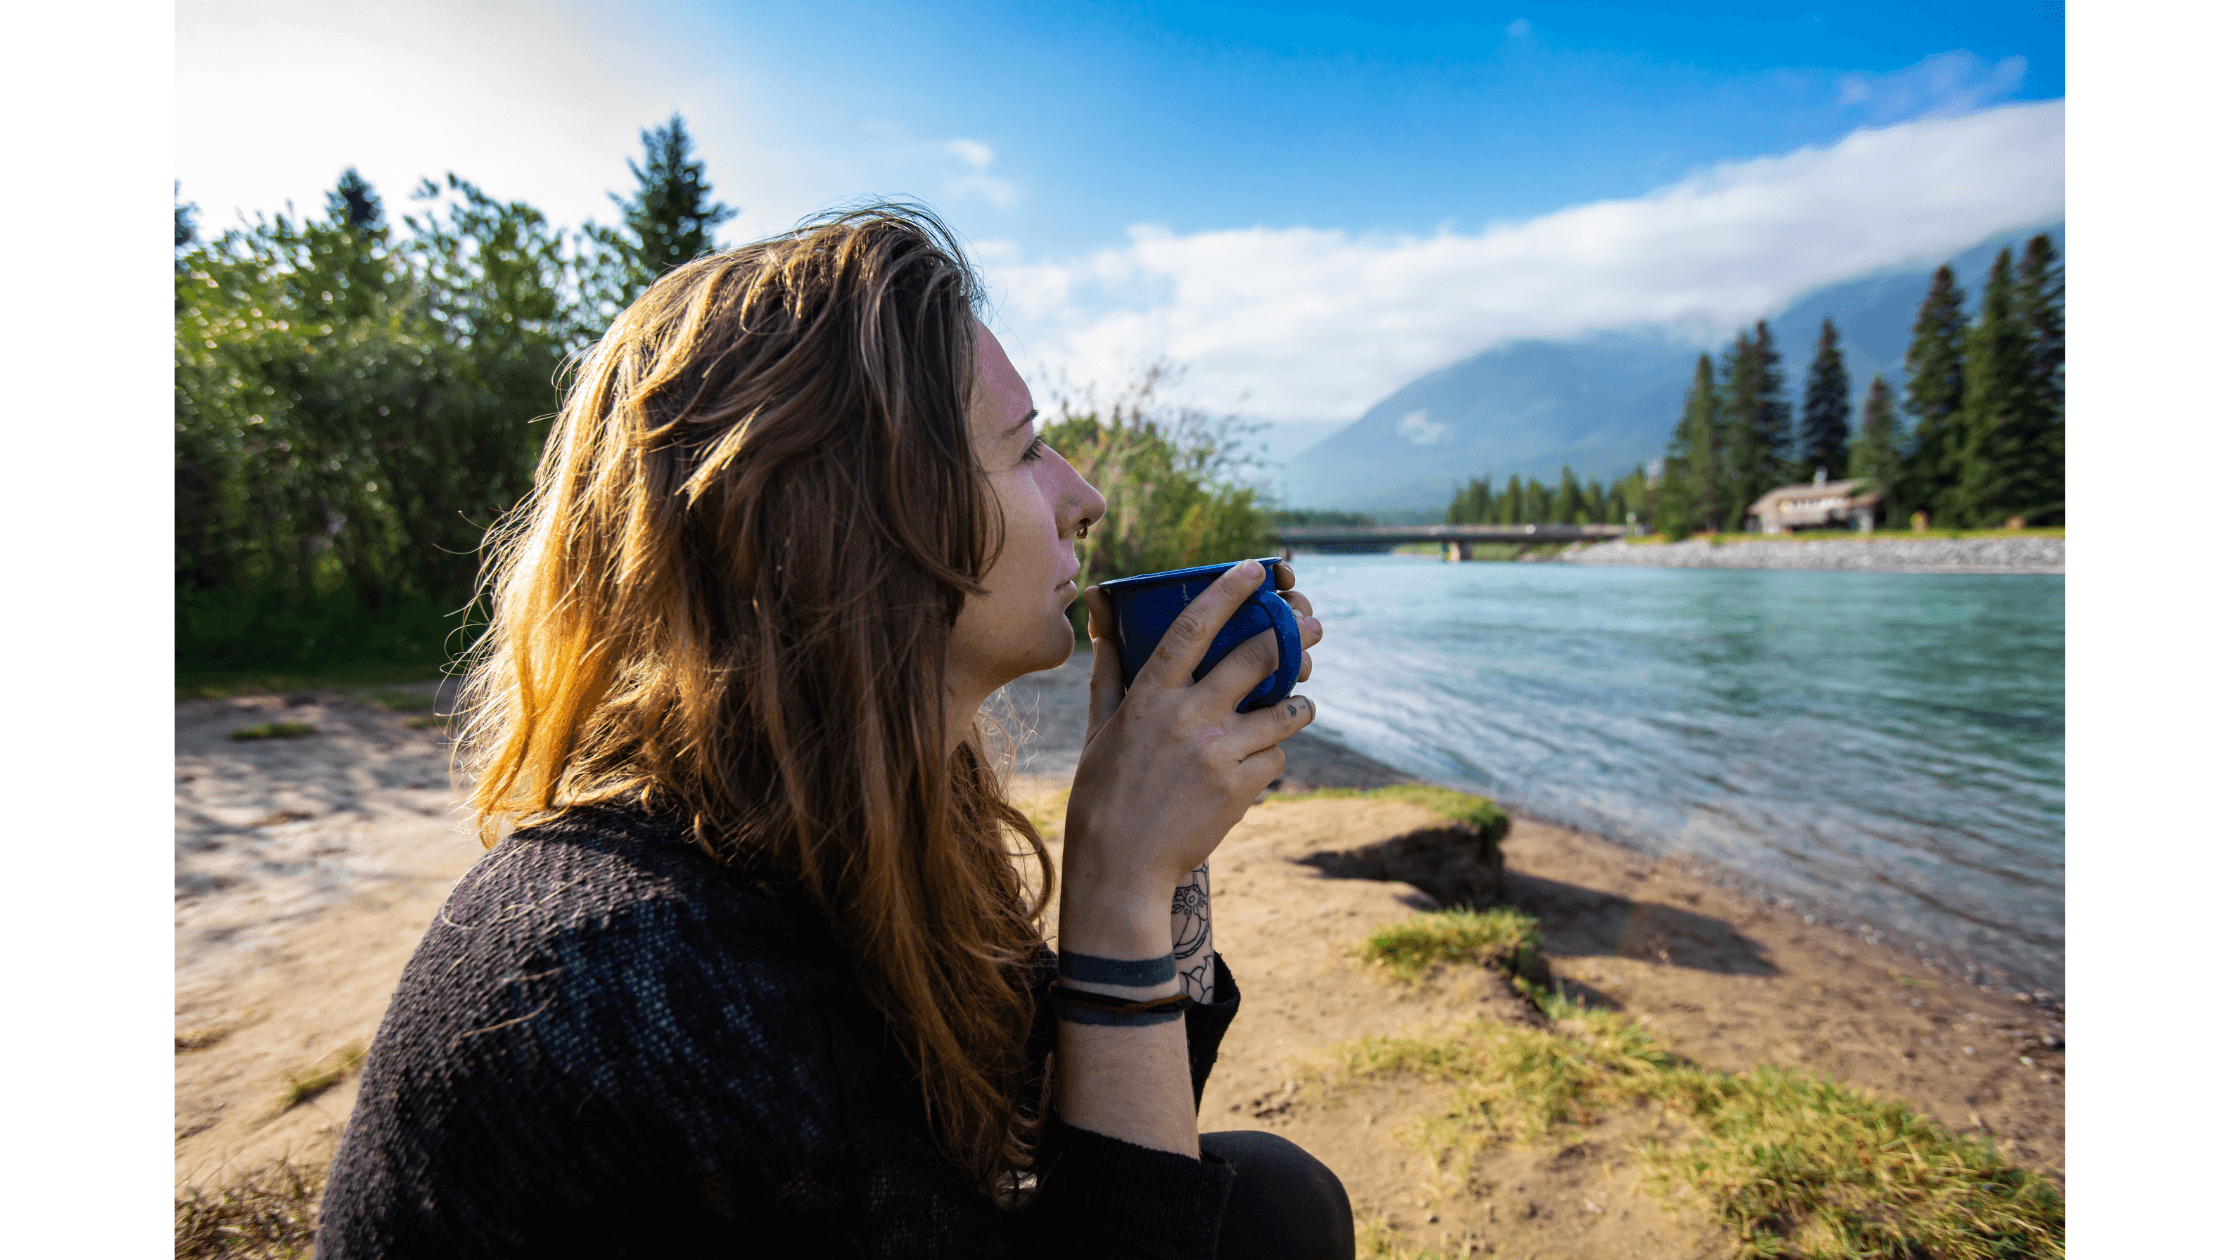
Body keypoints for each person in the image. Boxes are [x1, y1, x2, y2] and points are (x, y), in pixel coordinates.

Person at [315, 205, 1354, 1257]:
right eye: (1024, 449)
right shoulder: (647, 974)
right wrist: (1117, 884)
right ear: (851, 526)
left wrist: (1161, 841)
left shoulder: (854, 822)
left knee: (1272, 1203)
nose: (1080, 499)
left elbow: (1072, 1130)